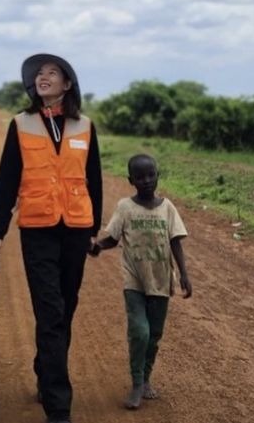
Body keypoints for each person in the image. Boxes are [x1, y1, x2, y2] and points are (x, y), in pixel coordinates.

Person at [0, 53, 102, 423]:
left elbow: (94, 178)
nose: (43, 77)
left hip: (76, 226)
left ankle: (44, 366)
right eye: (39, 74)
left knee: (66, 308)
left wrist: (95, 228)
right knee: (50, 311)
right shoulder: (20, 124)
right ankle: (58, 407)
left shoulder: (85, 125)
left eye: (52, 73)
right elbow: (6, 178)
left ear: (67, 84)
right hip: (37, 227)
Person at [91, 153, 192, 410]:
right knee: (140, 331)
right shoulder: (125, 207)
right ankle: (136, 382)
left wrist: (184, 275)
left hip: (160, 280)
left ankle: (146, 377)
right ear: (131, 180)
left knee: (154, 335)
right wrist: (96, 247)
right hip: (134, 279)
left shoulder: (167, 208)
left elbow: (175, 242)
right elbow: (113, 238)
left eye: (151, 175)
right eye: (140, 176)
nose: (146, 180)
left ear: (158, 175)